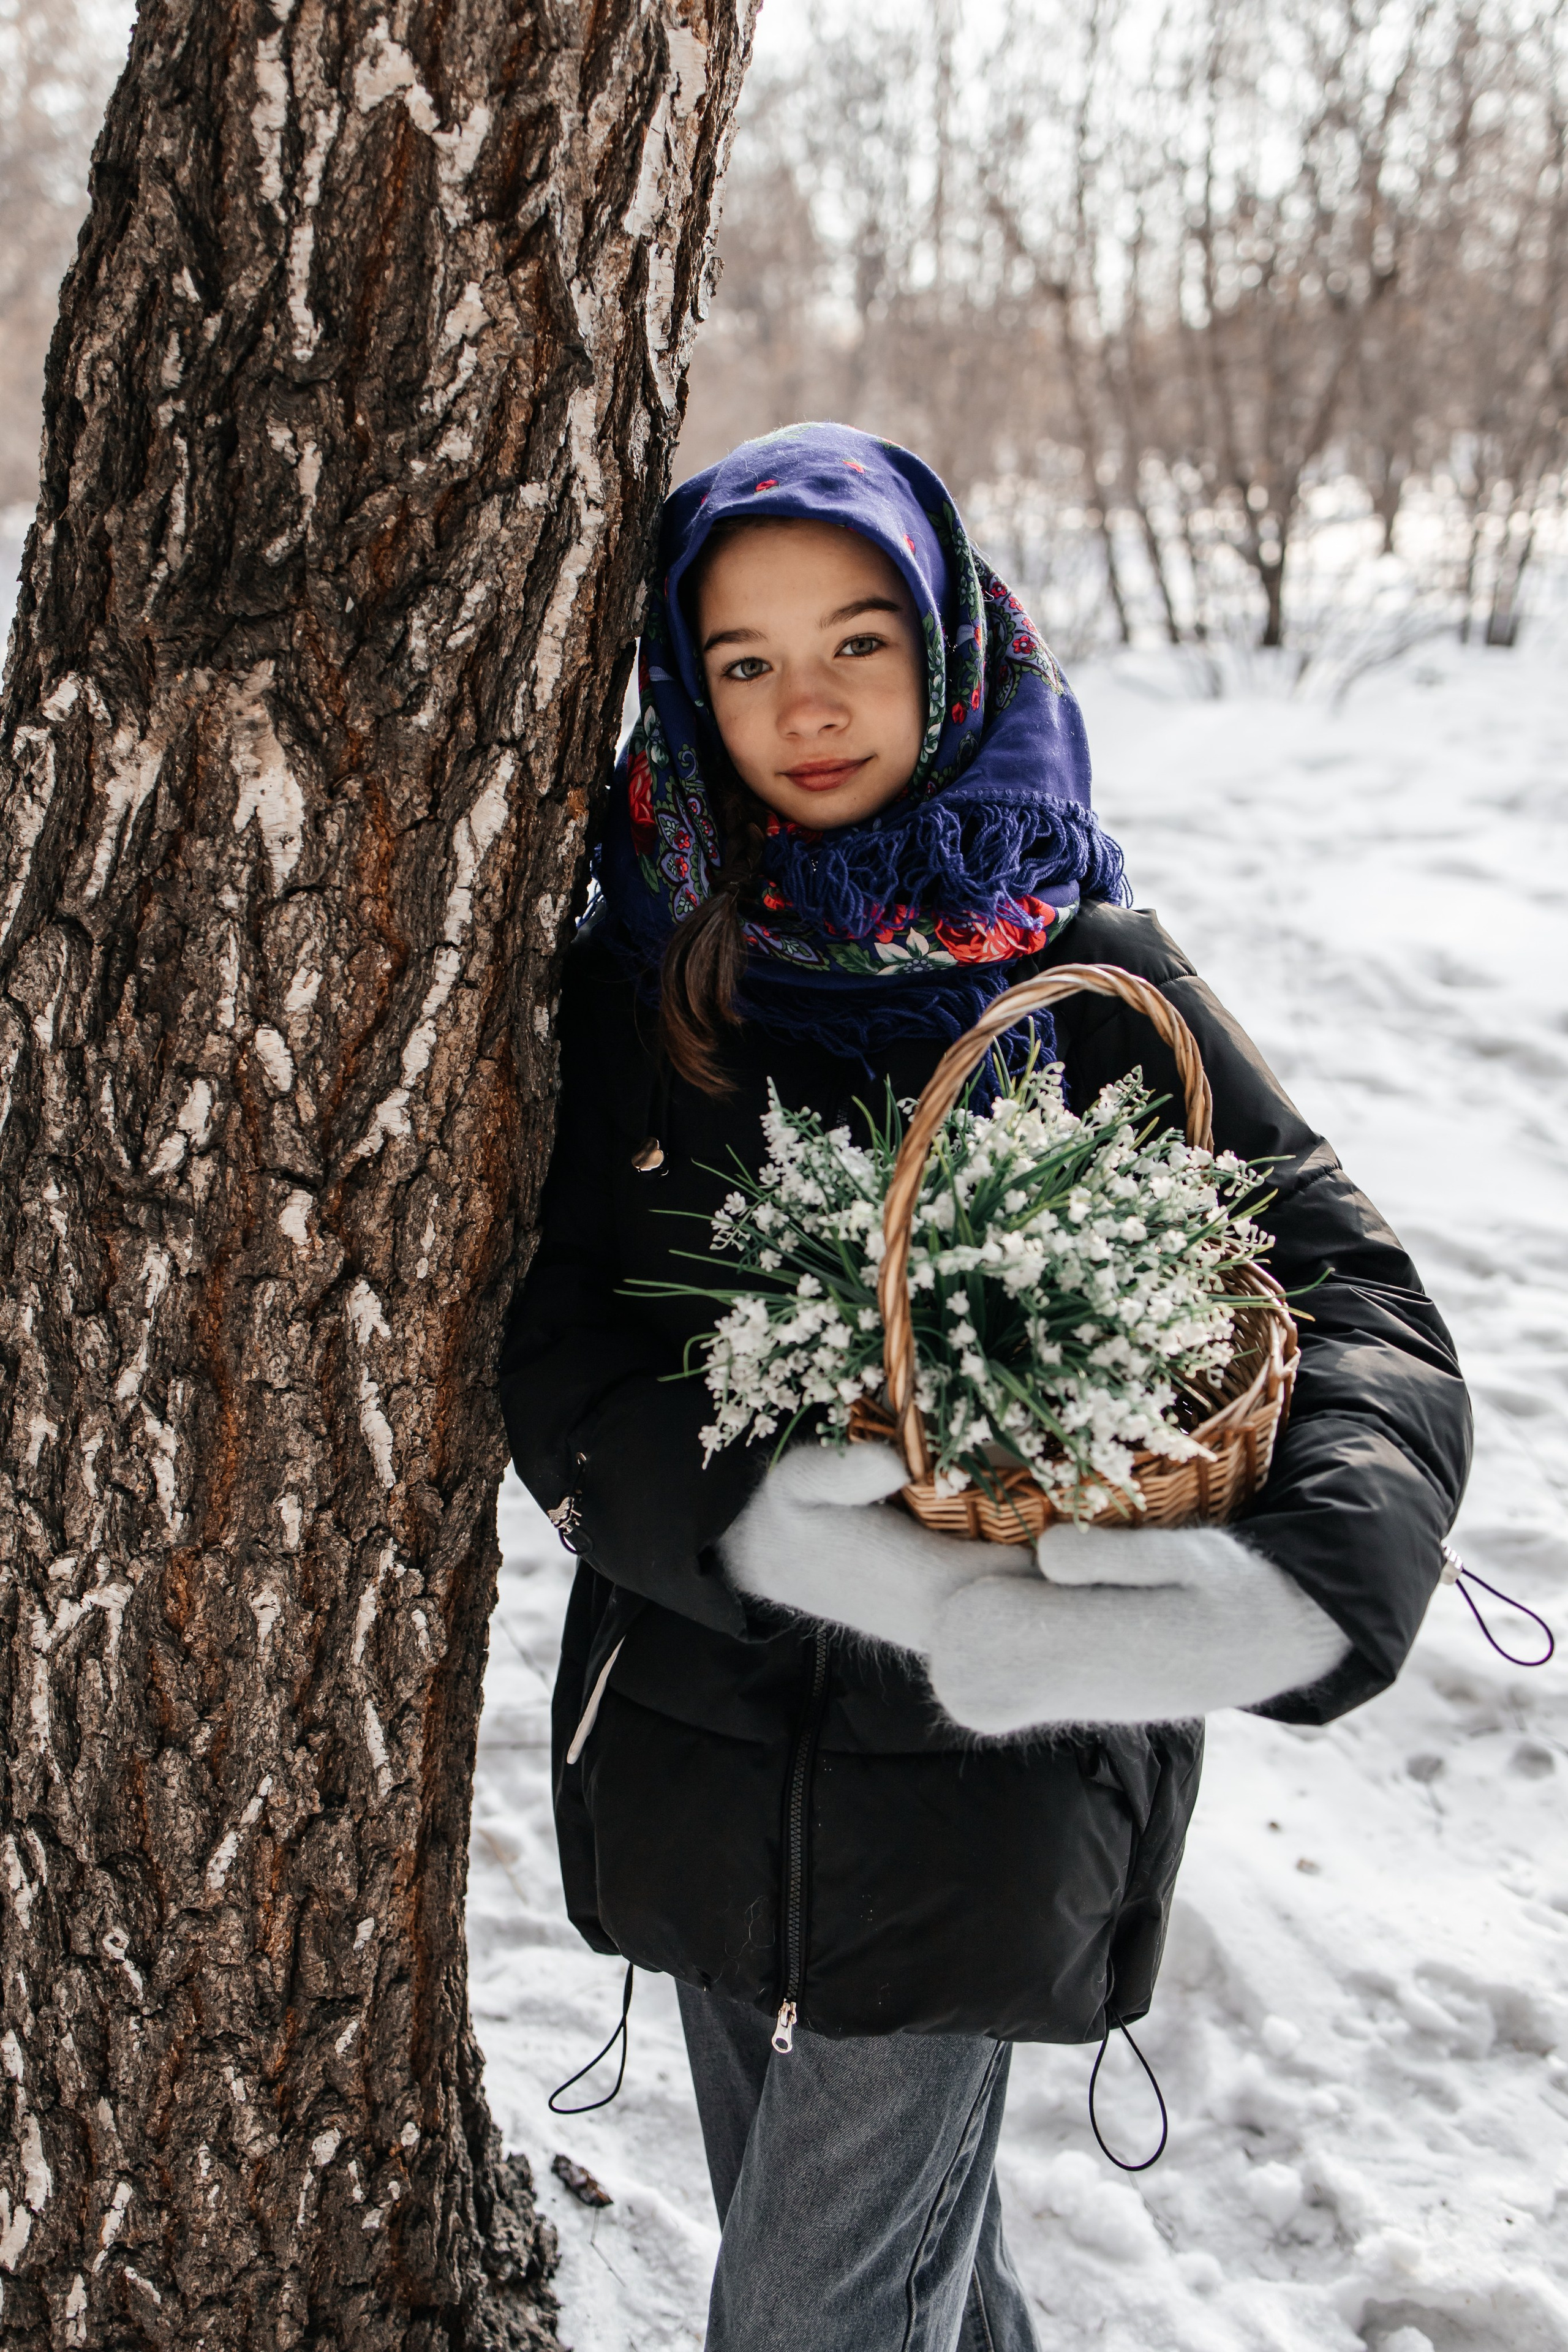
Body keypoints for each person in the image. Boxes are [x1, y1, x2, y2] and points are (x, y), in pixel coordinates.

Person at [498, 424, 1471, 2352]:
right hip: (691, 1740)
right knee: (936, 2297)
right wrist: (766, 1529)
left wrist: (1273, 1596)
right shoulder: (645, 978)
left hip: (986, 1793)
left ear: (949, 647)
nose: (811, 707)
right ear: (688, 691)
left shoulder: (1080, 970)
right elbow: (557, 1339)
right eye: (747, 663)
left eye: (858, 641)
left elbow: (1362, 1303)